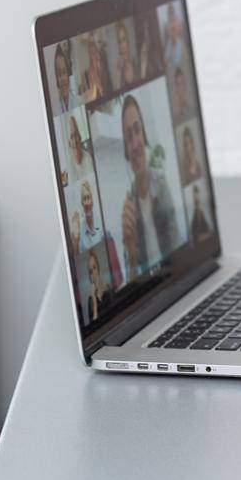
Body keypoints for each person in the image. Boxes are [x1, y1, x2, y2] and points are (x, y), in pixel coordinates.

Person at [119, 95, 178, 275]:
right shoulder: (128, 206)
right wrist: (130, 248)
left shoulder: (161, 186)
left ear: (144, 136)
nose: (135, 143)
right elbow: (132, 281)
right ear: (126, 151)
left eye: (137, 131)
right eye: (129, 136)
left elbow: (178, 252)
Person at [52, 42, 79, 114]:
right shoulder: (54, 109)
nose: (63, 79)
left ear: (68, 75)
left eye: (64, 72)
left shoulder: (78, 101)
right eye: (59, 74)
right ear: (56, 78)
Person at [85, 249, 111, 321]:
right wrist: (94, 300)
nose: (93, 273)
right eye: (90, 271)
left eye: (94, 267)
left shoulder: (108, 288)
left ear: (98, 267)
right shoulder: (90, 300)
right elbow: (94, 326)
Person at [113, 20, 139, 90]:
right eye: (119, 42)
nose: (122, 46)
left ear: (127, 41)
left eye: (124, 39)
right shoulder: (117, 68)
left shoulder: (135, 63)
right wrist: (118, 72)